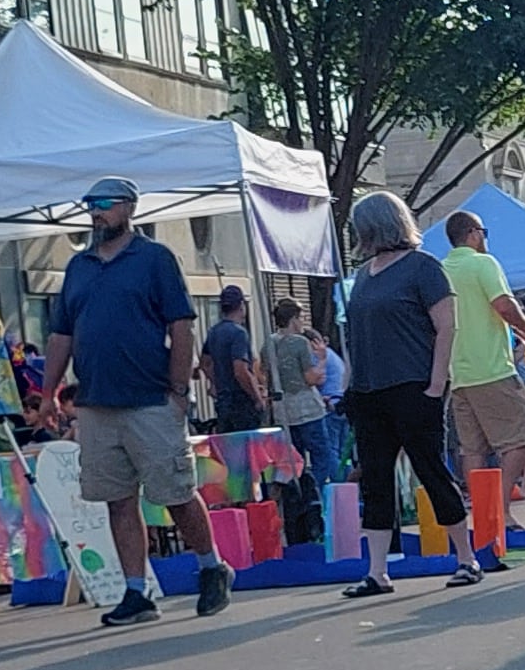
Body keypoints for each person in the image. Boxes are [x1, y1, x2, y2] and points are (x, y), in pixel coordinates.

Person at [41, 174, 234, 630]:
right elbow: (61, 334)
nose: (96, 211)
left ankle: (211, 567)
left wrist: (179, 393)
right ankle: (135, 591)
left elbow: (181, 326)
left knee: (174, 492)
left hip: (150, 399)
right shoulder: (79, 267)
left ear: (129, 207)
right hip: (96, 403)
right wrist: (49, 392)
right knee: (116, 499)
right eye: (90, 203)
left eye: (105, 203)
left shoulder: (154, 259)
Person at [335, 189, 468, 598]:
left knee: (430, 470)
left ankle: (466, 557)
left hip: (412, 385)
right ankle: (377, 571)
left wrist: (435, 383)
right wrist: (350, 384)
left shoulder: (422, 268)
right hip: (369, 390)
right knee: (376, 478)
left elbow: (446, 326)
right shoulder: (364, 276)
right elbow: (356, 335)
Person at [434, 214, 525, 557]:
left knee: (473, 448)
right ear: (473, 234)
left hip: (458, 372)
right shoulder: (483, 263)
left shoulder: (440, 269)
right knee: (522, 436)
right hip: (491, 368)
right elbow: (503, 305)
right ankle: (499, 510)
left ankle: (483, 515)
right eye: (483, 231)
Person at [261, 288, 334, 548]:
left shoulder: (267, 344)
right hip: (307, 408)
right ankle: (321, 500)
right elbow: (311, 378)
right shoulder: (300, 343)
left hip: (283, 413)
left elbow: (264, 375)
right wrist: (322, 361)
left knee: (293, 463)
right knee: (323, 455)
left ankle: (299, 508)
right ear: (294, 319)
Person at [200, 279, 273, 435]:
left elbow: (205, 363)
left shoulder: (214, 331)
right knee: (247, 450)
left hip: (223, 401)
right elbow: (240, 370)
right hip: (241, 403)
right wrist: (256, 398)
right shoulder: (239, 333)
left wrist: (216, 382)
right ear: (241, 306)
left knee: (229, 451)